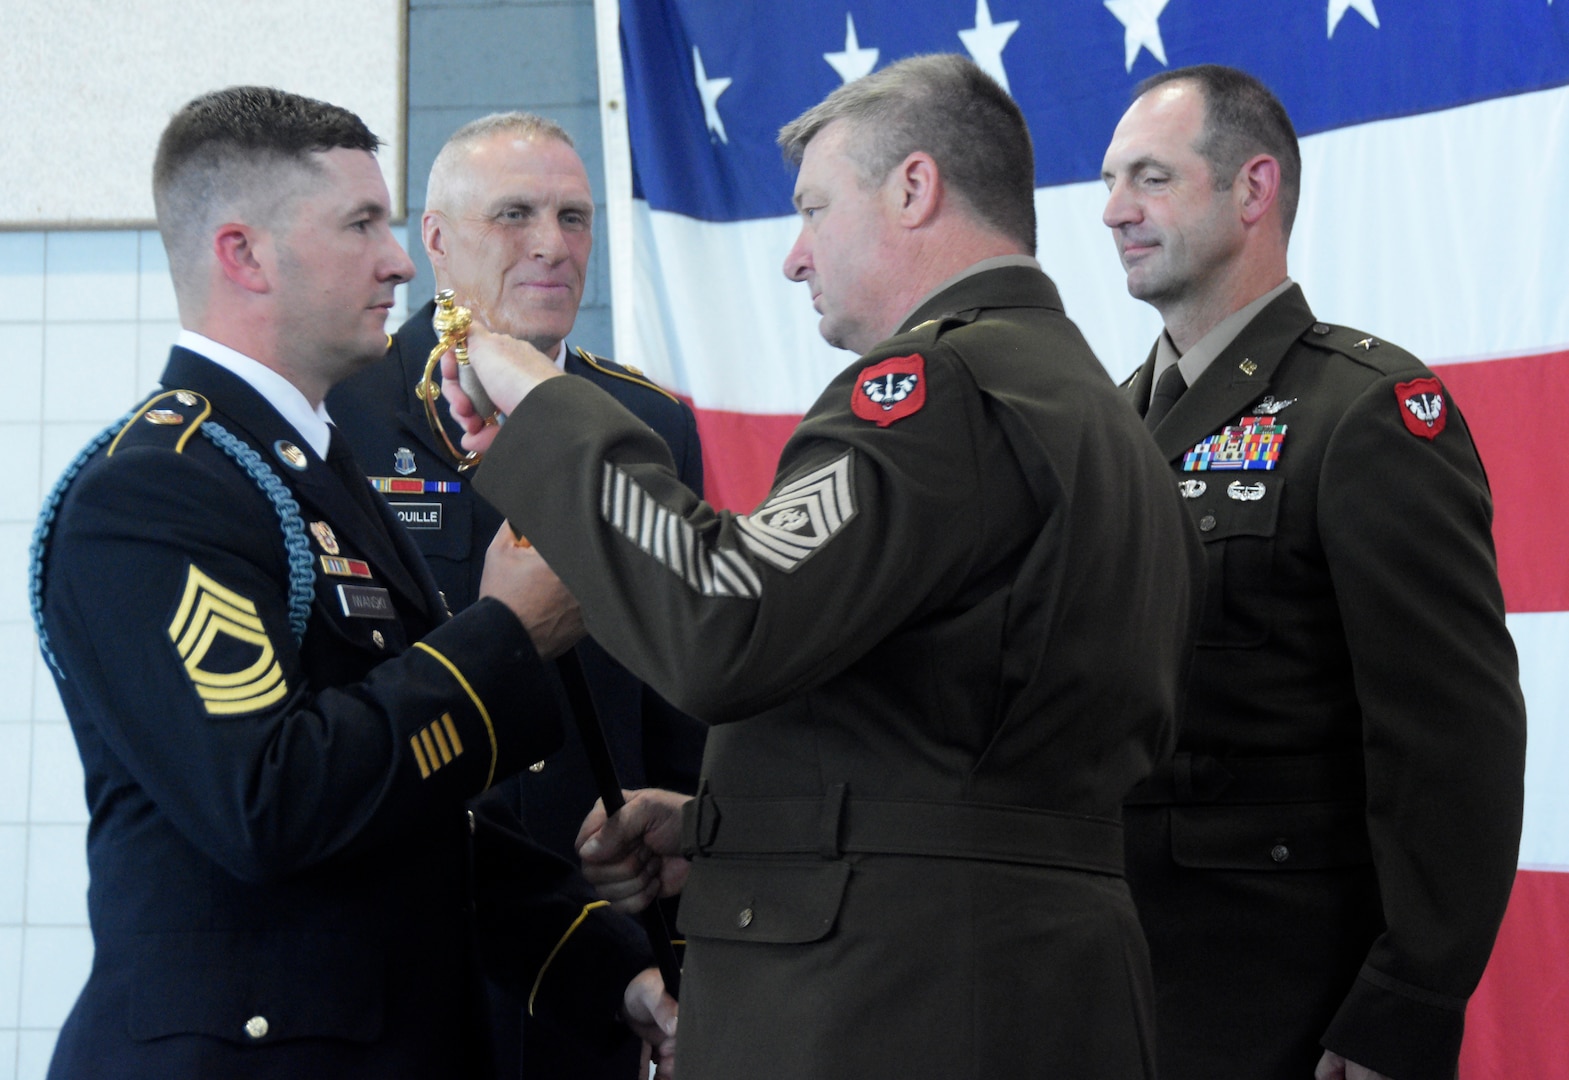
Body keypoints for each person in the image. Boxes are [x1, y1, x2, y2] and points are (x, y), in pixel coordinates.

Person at [440, 54, 1201, 1079]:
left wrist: (542, 403)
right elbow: (962, 744)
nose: (795, 257)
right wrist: (727, 830)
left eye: (813, 208)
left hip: (906, 1004)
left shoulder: (933, 394)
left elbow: (723, 620)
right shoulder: (1093, 405)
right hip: (1026, 982)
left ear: (914, 188)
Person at [29, 86, 674, 1080]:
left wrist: (602, 970)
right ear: (242, 254)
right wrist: (502, 632)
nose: (401, 260)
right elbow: (271, 801)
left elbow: (416, 817)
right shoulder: (157, 489)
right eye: (361, 224)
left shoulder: (306, 462)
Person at [1099, 64, 1526, 1080]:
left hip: (1290, 1002)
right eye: (1111, 181)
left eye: (1151, 178)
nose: (1115, 211)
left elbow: (1451, 741)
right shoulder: (1102, 428)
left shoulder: (1365, 414)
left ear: (1253, 191)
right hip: (1116, 990)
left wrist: (1408, 1001)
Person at [327, 112, 705, 1080]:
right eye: (515, 214)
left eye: (575, 217)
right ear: (437, 239)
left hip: (612, 939)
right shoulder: (347, 412)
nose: (553, 244)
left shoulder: (647, 424)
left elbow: (681, 681)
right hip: (427, 927)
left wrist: (682, 843)